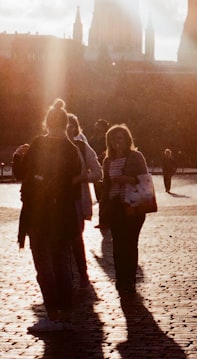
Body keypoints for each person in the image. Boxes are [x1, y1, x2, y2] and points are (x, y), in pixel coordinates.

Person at [18, 99, 81, 333]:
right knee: (63, 265)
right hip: (63, 214)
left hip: (39, 214)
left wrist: (18, 156)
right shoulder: (72, 149)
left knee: (44, 266)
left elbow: (23, 174)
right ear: (66, 125)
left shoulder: (38, 144)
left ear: (47, 122)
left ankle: (52, 315)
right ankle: (66, 315)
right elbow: (74, 183)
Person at [101, 124, 151, 298]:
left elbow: (144, 179)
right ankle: (121, 280)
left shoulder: (136, 157)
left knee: (130, 244)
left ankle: (129, 280)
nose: (116, 142)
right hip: (115, 205)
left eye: (120, 138)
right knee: (117, 245)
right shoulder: (108, 160)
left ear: (127, 139)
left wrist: (126, 179)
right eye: (113, 139)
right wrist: (103, 210)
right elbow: (105, 186)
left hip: (133, 205)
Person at [67, 113, 101, 288]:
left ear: (76, 127)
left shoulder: (82, 147)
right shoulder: (48, 146)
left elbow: (97, 172)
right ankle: (66, 276)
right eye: (64, 124)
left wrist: (81, 178)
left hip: (76, 199)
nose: (67, 128)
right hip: (54, 201)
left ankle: (82, 274)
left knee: (75, 238)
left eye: (71, 124)